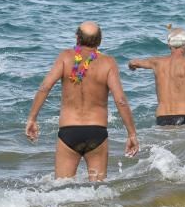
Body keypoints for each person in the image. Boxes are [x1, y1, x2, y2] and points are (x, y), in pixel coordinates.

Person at [25, 21, 139, 181]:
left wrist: (32, 119)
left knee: (61, 190)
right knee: (98, 192)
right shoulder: (108, 62)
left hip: (68, 132)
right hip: (97, 133)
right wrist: (132, 134)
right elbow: (120, 100)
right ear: (100, 41)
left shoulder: (65, 57)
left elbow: (45, 87)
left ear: (77, 38)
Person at [128, 25, 185, 126]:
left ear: (169, 45)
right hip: (183, 117)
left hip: (161, 118)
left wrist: (131, 65)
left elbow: (134, 62)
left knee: (165, 142)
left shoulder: (156, 62)